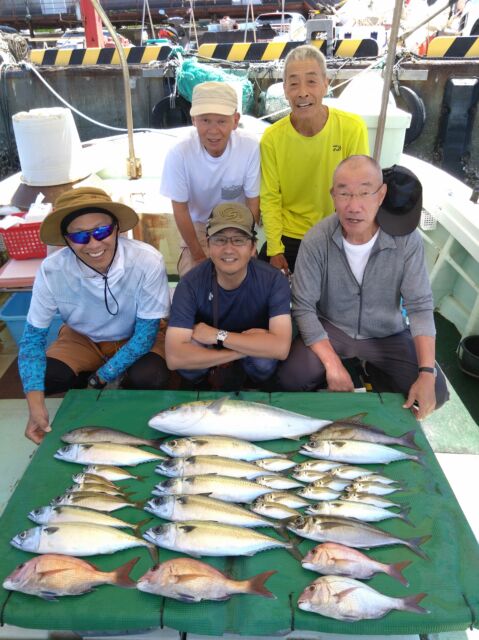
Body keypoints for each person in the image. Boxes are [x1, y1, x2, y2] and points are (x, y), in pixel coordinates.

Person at [277, 155, 449, 419]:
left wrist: (427, 372)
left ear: (381, 195)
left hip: (387, 334)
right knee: (290, 379)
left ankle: (374, 370)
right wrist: (332, 365)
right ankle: (342, 368)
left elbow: (420, 306)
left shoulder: (407, 240)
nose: (353, 206)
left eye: (365, 193)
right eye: (344, 193)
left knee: (436, 391)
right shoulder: (316, 239)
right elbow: (303, 307)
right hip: (332, 328)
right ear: (333, 196)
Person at [19, 187, 171, 444]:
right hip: (83, 337)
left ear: (116, 229)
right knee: (45, 377)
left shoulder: (147, 260)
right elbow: (32, 340)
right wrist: (35, 406)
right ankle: (85, 383)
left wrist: (100, 378)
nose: (93, 244)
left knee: (150, 376)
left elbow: (145, 336)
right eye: (80, 236)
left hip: (135, 333)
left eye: (102, 231)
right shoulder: (51, 270)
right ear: (66, 240)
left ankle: (100, 382)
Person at [259, 44, 369, 274]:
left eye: (311, 81)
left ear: (325, 84)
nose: (302, 92)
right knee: (259, 283)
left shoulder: (352, 128)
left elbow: (359, 192)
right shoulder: (271, 138)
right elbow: (270, 198)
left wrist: (351, 242)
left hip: (335, 231)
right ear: (285, 89)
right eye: (293, 84)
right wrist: (275, 249)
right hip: (288, 234)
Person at [165, 202, 292, 390]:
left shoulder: (273, 280)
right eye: (220, 240)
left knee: (263, 361)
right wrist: (237, 352)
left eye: (239, 240)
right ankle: (201, 387)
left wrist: (219, 336)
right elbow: (174, 357)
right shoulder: (190, 283)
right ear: (208, 244)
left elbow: (280, 348)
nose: (229, 249)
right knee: (189, 359)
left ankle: (256, 387)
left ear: (253, 247)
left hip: (245, 357)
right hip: (212, 355)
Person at [160, 81, 260, 277]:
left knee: (249, 279)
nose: (213, 130)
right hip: (199, 226)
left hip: (238, 223)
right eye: (205, 120)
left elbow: (253, 203)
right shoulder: (179, 153)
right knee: (195, 279)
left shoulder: (250, 147)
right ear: (193, 120)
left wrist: (247, 242)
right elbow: (180, 210)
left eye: (222, 121)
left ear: (235, 120)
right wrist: (199, 256)